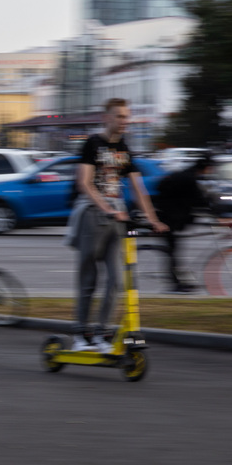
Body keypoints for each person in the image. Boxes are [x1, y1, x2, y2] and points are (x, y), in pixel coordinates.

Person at [65, 98, 168, 352]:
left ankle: (101, 334)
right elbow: (85, 183)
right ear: (107, 117)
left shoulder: (123, 148)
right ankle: (80, 334)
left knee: (116, 280)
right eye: (120, 116)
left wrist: (153, 219)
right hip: (93, 215)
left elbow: (138, 187)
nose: (125, 121)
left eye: (127, 116)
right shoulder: (93, 143)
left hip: (117, 218)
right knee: (89, 278)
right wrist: (107, 209)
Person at [152, 156, 232, 293]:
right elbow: (201, 201)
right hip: (170, 219)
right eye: (211, 168)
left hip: (167, 215)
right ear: (206, 168)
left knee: (174, 251)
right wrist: (218, 218)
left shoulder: (183, 174)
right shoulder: (190, 179)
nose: (211, 171)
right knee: (173, 252)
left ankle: (180, 281)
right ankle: (176, 284)